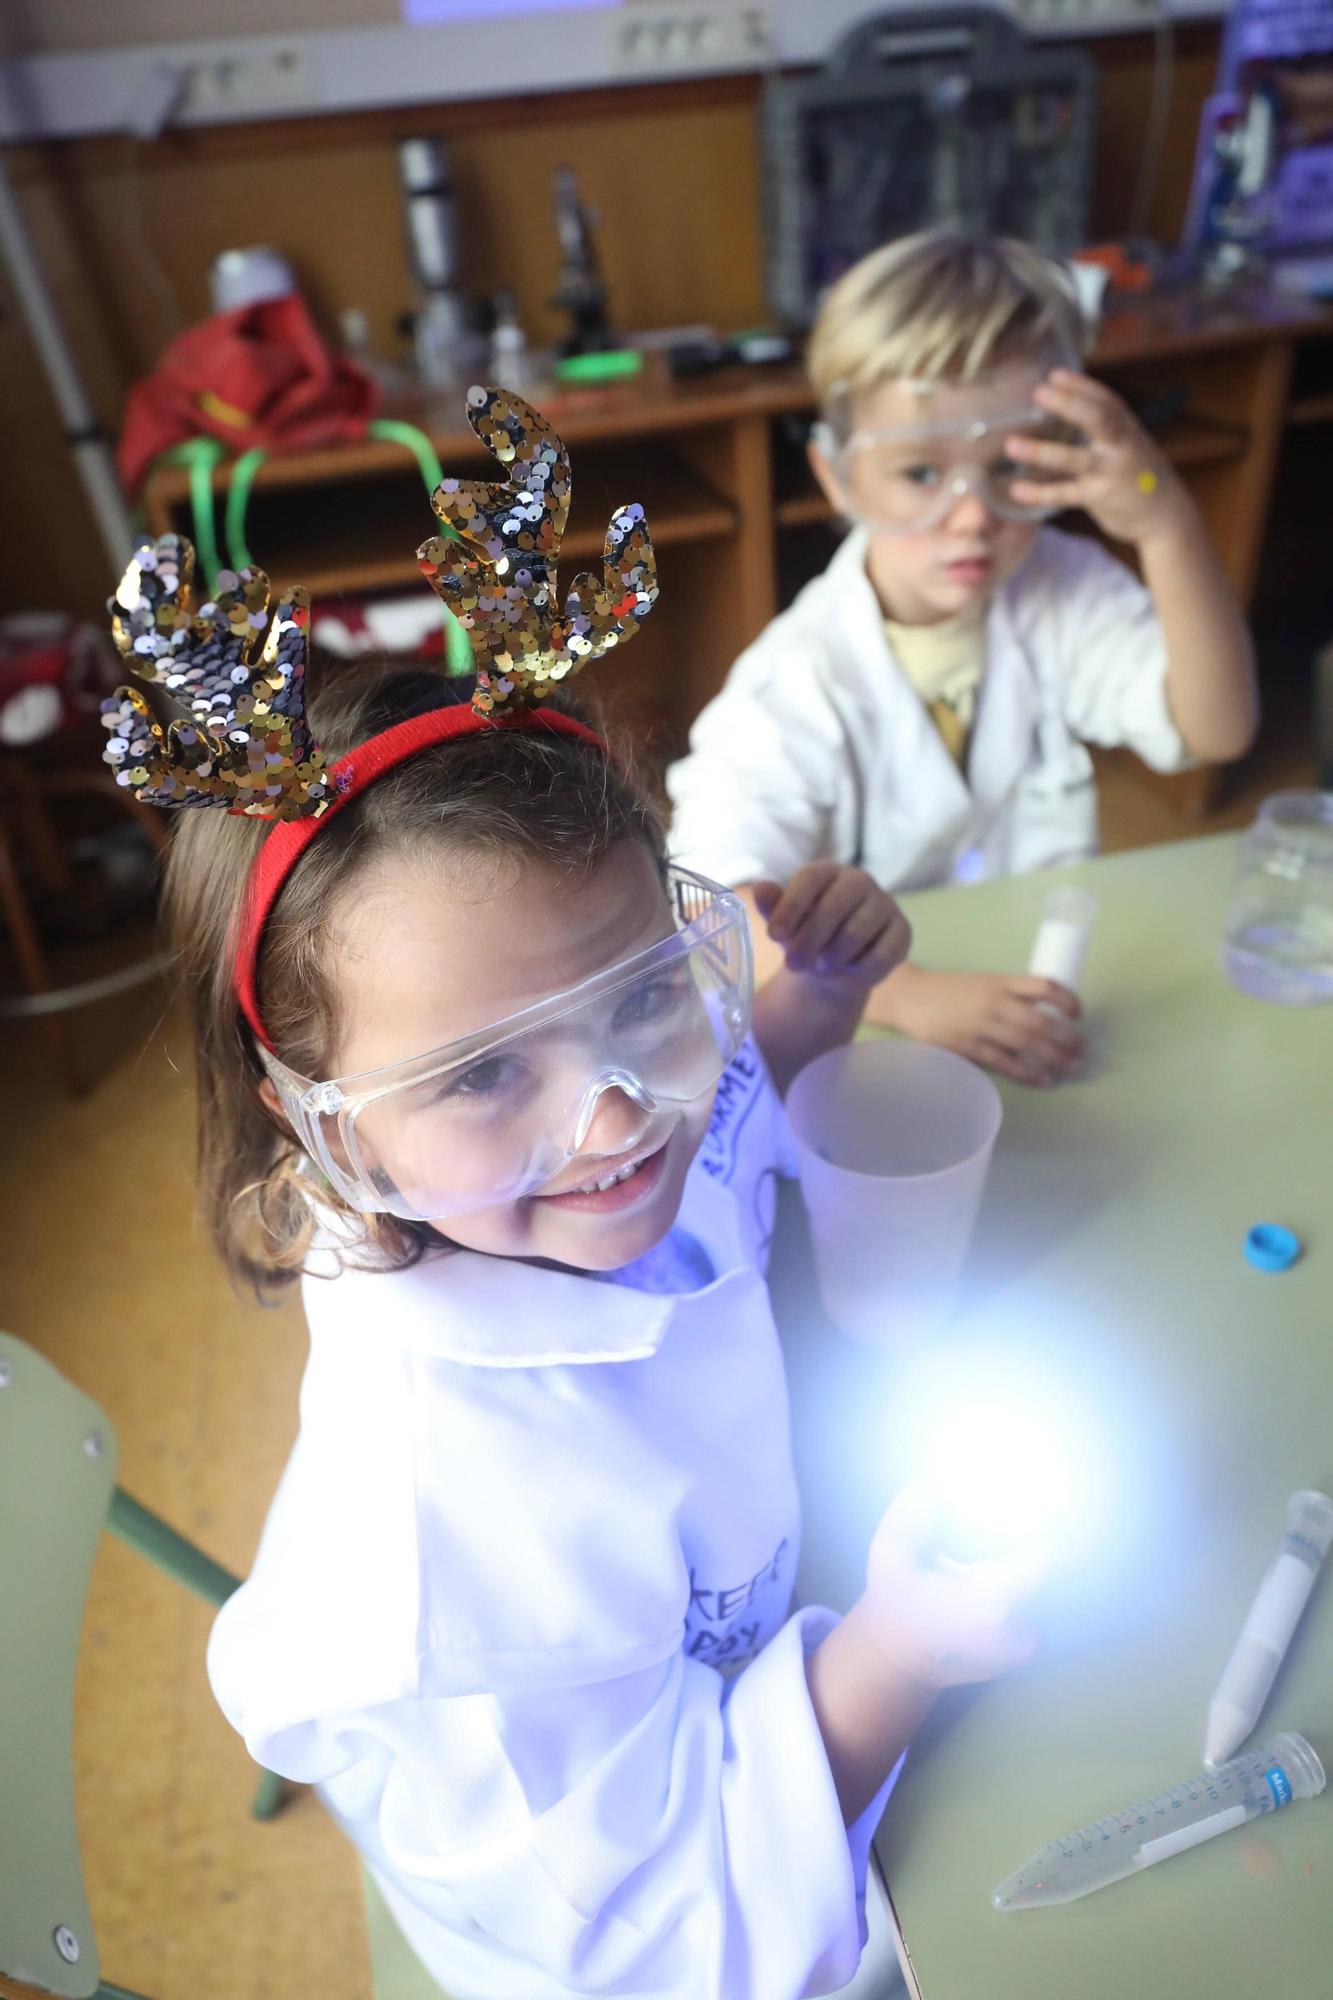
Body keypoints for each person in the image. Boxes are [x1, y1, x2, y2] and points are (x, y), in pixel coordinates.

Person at [105, 388, 1036, 2000]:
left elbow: (720, 1159)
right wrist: (897, 1660)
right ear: (323, 1131)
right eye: (479, 1075)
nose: (612, 1110)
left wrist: (804, 1009)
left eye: (640, 995)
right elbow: (668, 1945)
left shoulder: (542, 1179)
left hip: (757, 1654)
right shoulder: (453, 1563)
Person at [667, 233, 1260, 1087]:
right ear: (838, 479)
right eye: (919, 472)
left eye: (1007, 469)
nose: (971, 517)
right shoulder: (794, 680)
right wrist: (909, 997)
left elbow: (1216, 727)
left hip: (1039, 992)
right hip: (859, 1040)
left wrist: (1161, 520)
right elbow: (715, 900)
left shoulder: (1060, 588)